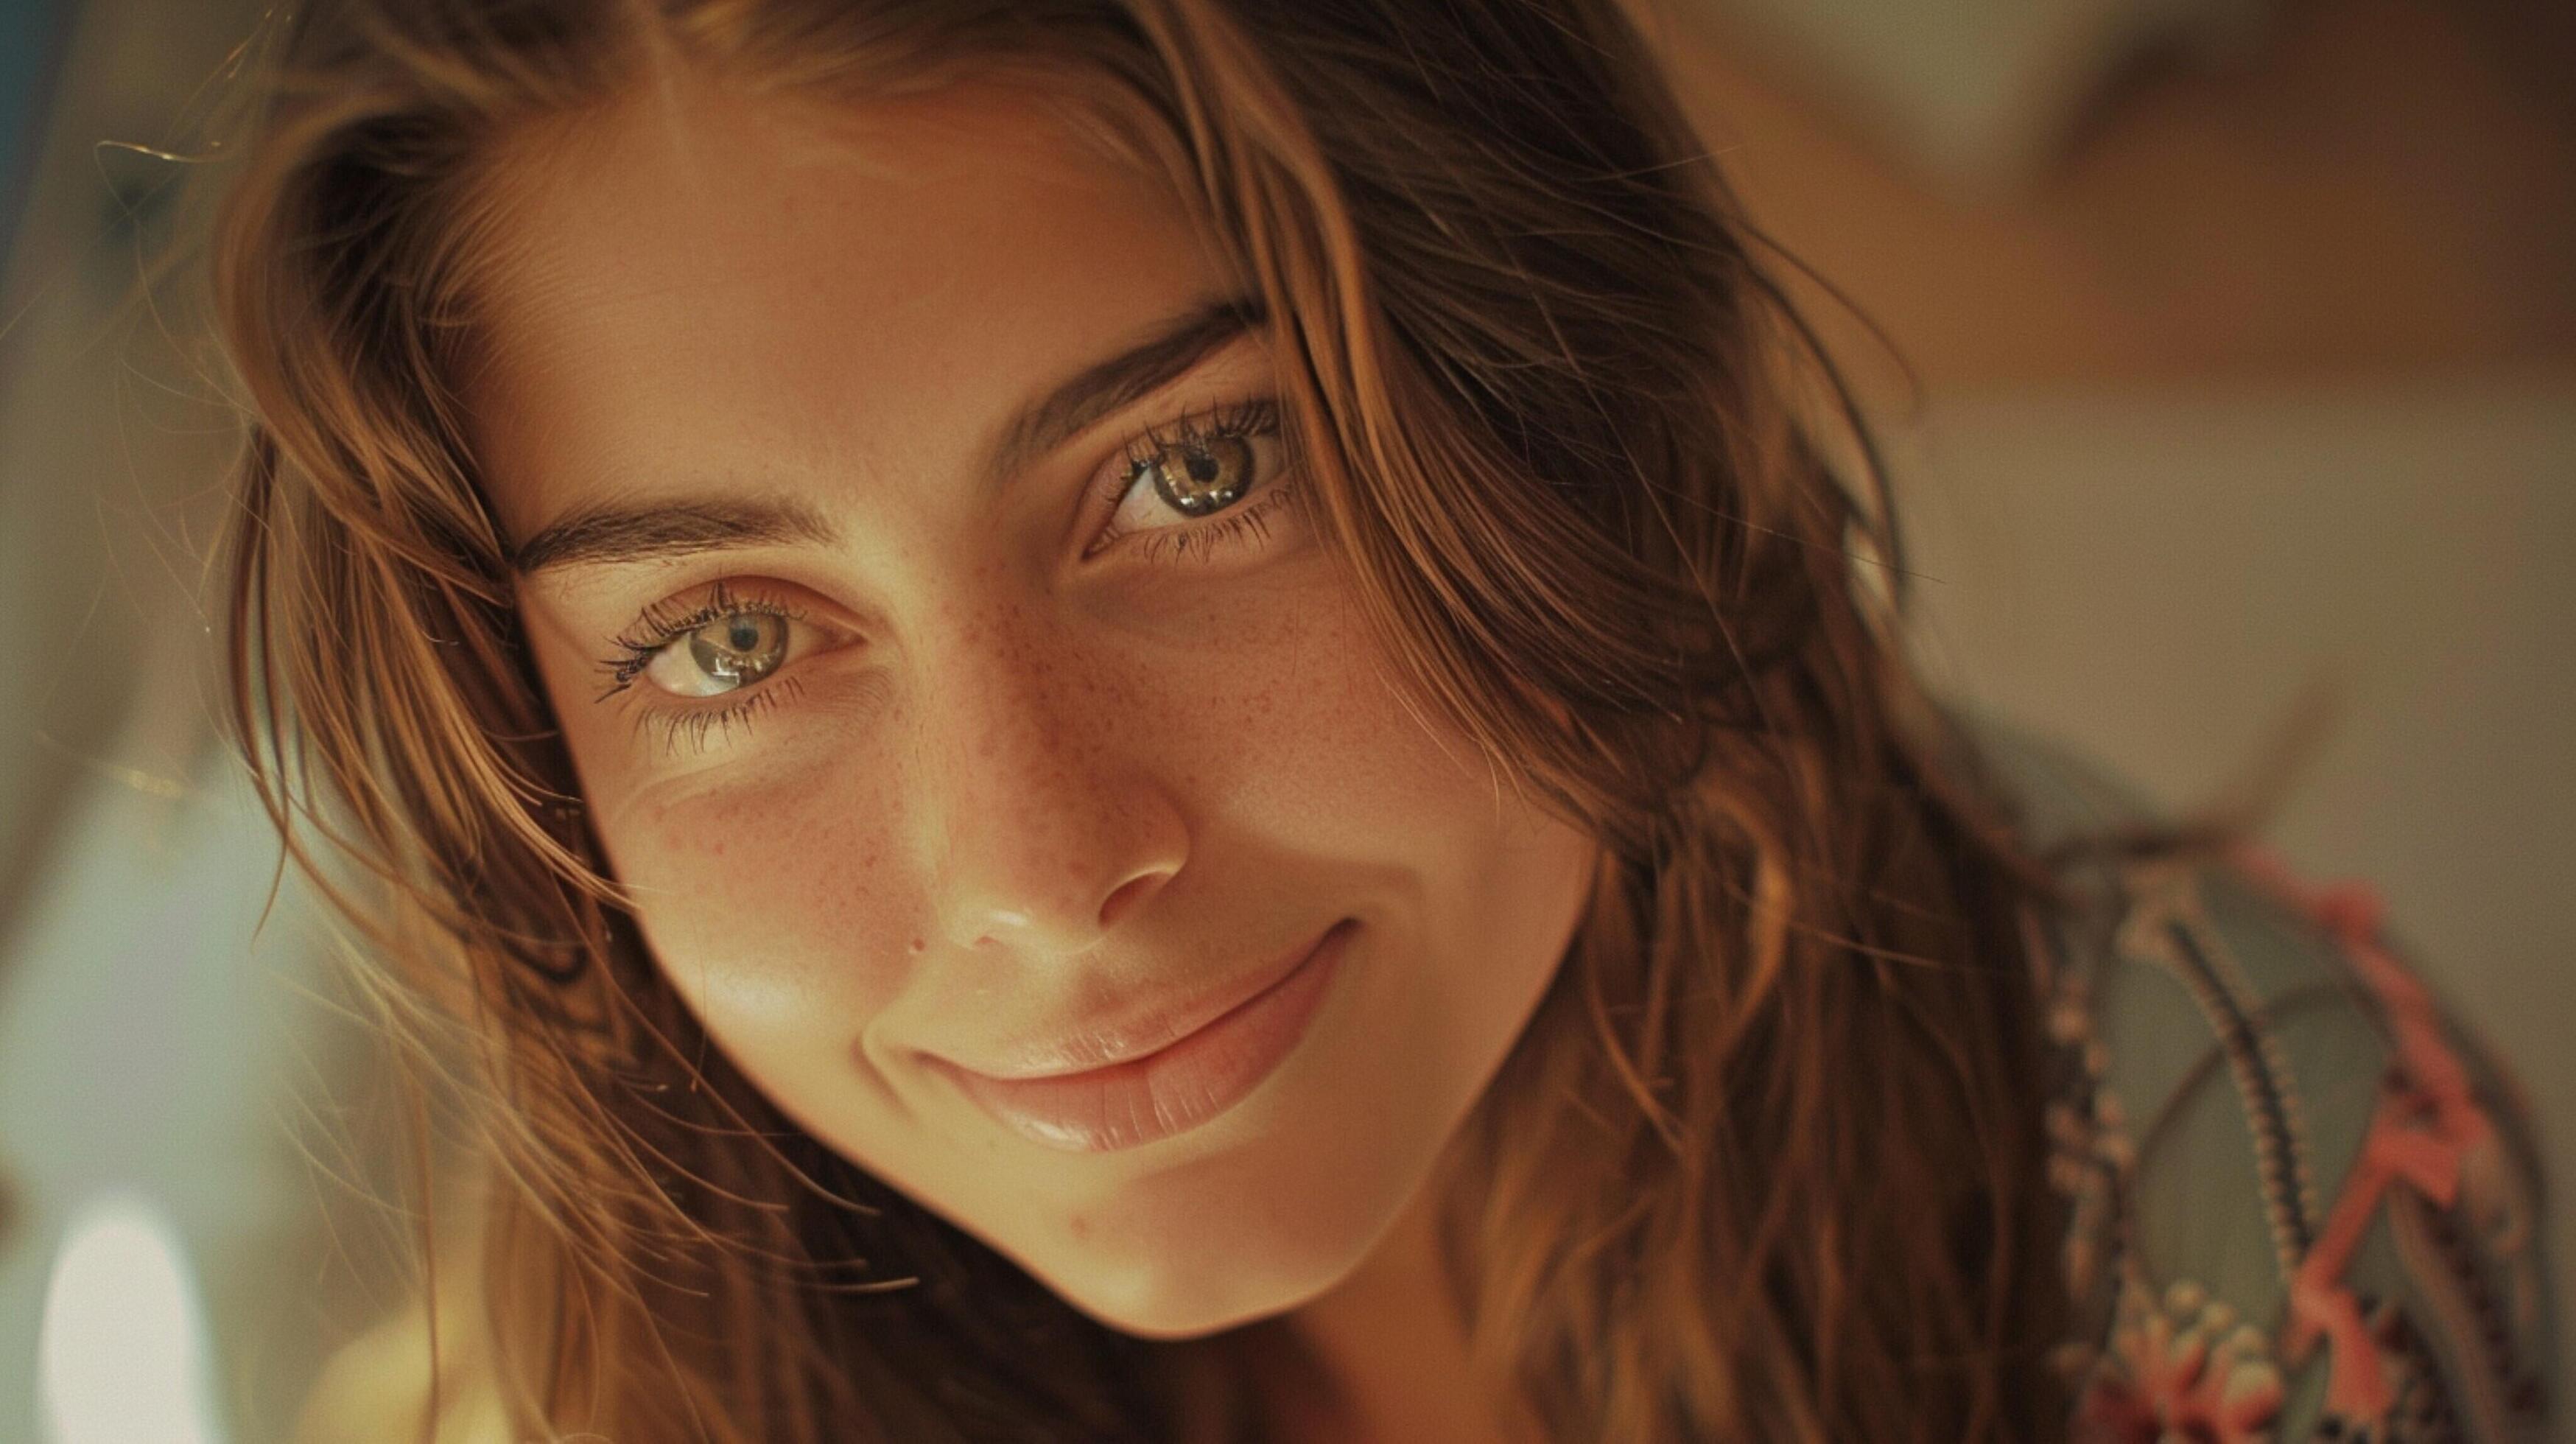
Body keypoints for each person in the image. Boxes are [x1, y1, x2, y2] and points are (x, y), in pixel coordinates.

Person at [196, 0, 2552, 1439]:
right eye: (722, 641)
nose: (1036, 872)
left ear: (1569, 403)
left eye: (1195, 470)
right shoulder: (614, 1328)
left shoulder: (2242, 1206)